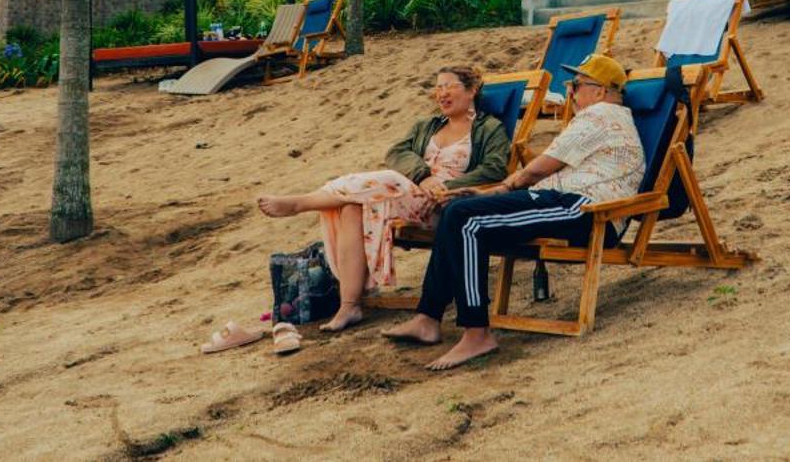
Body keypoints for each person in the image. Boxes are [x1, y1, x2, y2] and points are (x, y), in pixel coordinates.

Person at [382, 53, 644, 370]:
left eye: (575, 85)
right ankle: (427, 317)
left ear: (600, 90)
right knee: (459, 210)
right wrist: (486, 192)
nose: (570, 92)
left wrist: (503, 188)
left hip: (584, 209)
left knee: (466, 219)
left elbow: (542, 166)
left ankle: (476, 332)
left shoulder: (602, 114)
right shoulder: (604, 117)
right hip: (561, 201)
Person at [246, 67, 512, 339]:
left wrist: (446, 187)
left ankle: (302, 203)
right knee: (351, 206)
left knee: (387, 179)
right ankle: (349, 305)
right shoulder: (427, 126)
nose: (441, 93)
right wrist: (422, 177)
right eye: (437, 87)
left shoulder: (489, 128)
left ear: (472, 90)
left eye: (449, 86)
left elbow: (494, 168)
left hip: (445, 204)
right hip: (409, 194)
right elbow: (395, 152)